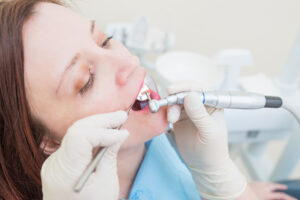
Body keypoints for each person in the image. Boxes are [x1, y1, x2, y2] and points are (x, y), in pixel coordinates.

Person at [0, 0, 296, 199]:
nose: (126, 62)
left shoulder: (152, 138)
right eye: (86, 81)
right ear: (48, 141)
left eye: (104, 40)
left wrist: (229, 185)